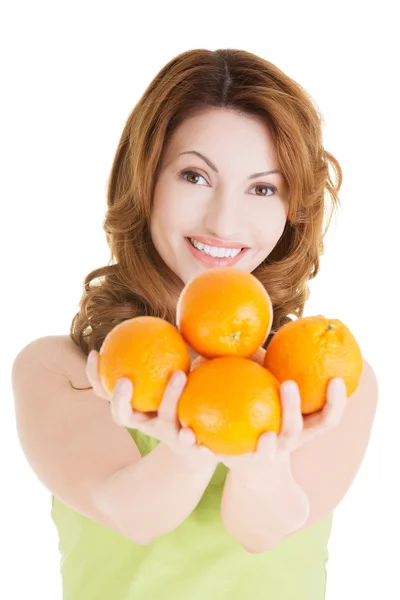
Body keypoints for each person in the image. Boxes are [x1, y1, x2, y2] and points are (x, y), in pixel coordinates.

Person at [11, 48, 379, 600]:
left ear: (290, 209)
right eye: (194, 175)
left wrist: (260, 455)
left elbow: (265, 531)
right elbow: (133, 516)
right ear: (144, 182)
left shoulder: (324, 375)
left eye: (262, 187)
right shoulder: (64, 369)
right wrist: (188, 451)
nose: (223, 220)